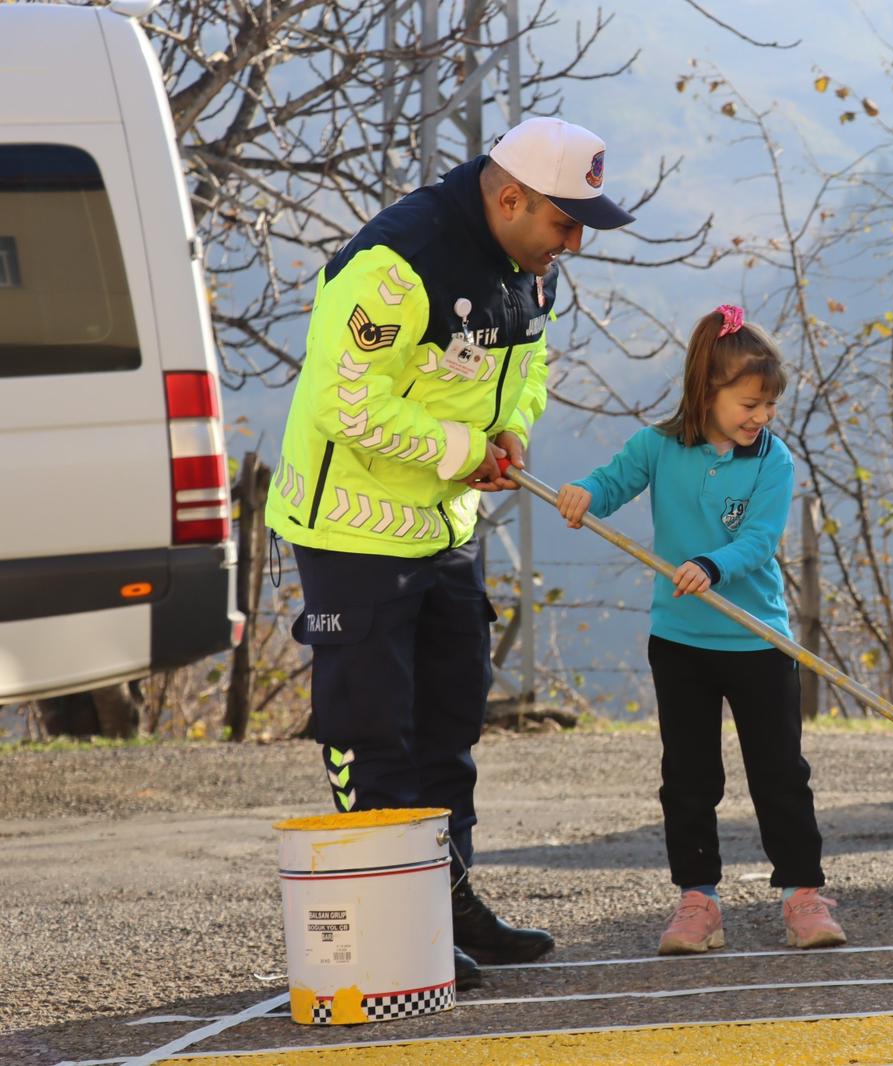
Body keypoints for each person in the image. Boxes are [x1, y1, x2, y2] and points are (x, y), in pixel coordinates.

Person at [265, 116, 635, 989]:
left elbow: (527, 368)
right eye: (564, 222)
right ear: (509, 197)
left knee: (448, 732)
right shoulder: (398, 264)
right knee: (371, 730)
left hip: (446, 527)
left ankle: (447, 901)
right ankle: (395, 922)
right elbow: (341, 406)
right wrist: (459, 452)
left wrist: (509, 427)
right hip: (352, 532)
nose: (574, 242)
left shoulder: (527, 267)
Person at [556, 306, 846, 954]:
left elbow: (758, 542)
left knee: (779, 772)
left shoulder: (772, 462)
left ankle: (802, 893)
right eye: (747, 403)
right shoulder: (659, 447)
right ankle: (698, 901)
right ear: (705, 391)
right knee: (688, 775)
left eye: (768, 405)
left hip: (756, 638)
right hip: (681, 640)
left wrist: (712, 565)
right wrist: (582, 494)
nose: (759, 418)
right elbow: (611, 483)